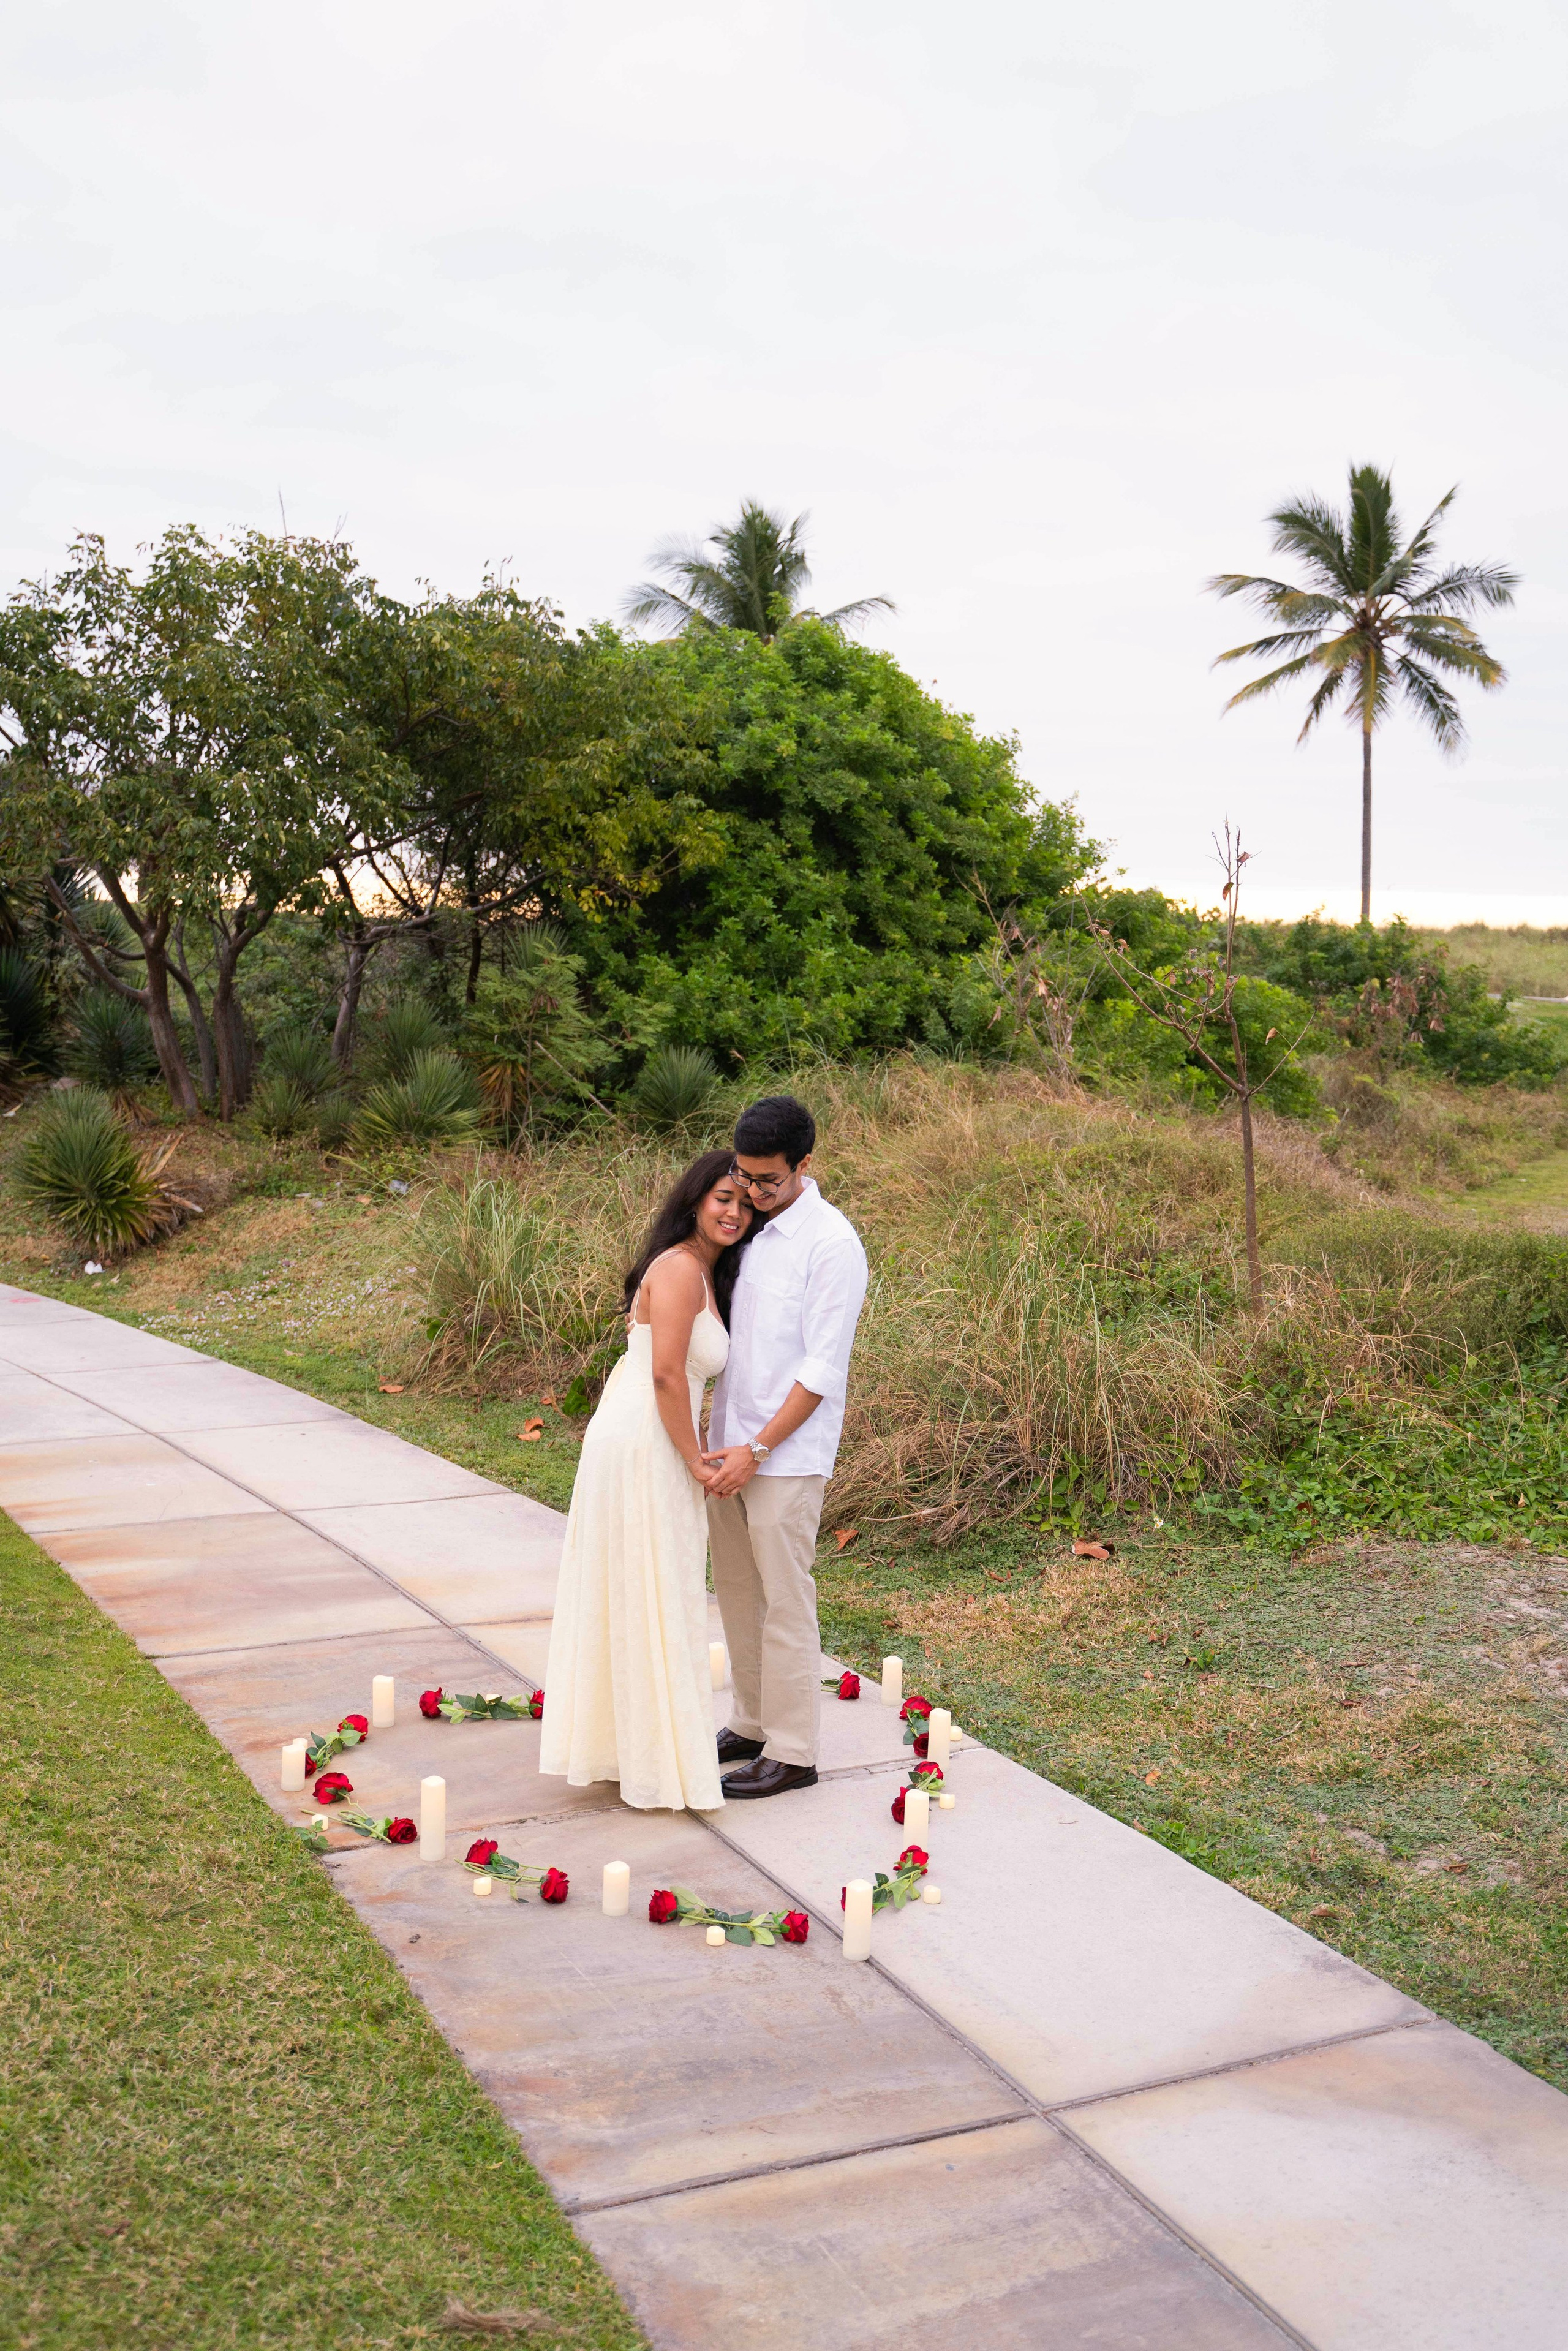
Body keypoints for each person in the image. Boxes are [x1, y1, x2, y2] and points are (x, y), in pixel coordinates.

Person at [539, 1150, 755, 1811]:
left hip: (642, 1429)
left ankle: (635, 1748)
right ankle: (654, 1758)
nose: (734, 1212)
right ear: (693, 1199)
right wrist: (695, 1458)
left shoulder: (699, 1271)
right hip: (646, 1436)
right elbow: (666, 1373)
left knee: (645, 1584)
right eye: (723, 1197)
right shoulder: (683, 1268)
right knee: (660, 1582)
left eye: (746, 1203)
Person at [704, 1095, 869, 1799]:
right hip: (726, 1444)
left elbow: (821, 1371)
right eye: (744, 1176)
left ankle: (795, 1749)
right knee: (736, 1590)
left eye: (769, 1180)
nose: (753, 1191)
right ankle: (750, 1719)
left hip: (785, 1455)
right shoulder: (748, 1228)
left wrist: (759, 1449)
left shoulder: (831, 1244)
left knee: (784, 1598)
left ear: (805, 1165)